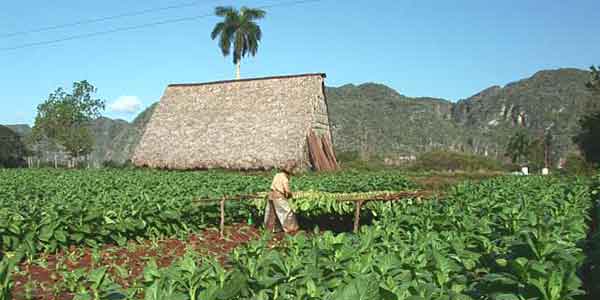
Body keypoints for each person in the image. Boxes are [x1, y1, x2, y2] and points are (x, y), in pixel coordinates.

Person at [264, 162, 299, 233]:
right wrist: (290, 195)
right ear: (288, 174)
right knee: (287, 212)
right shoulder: (285, 178)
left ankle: (271, 228)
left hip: (271, 195)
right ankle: (291, 228)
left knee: (272, 212)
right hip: (278, 196)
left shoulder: (277, 175)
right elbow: (287, 191)